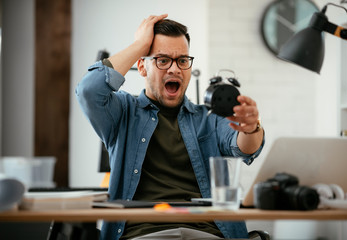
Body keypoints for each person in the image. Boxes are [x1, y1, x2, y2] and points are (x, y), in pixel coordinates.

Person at [76, 14, 265, 240]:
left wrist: (251, 128)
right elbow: (89, 91)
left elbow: (245, 148)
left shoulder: (209, 118)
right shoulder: (123, 113)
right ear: (142, 67)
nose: (175, 69)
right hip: (145, 235)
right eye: (163, 60)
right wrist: (140, 45)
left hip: (207, 235)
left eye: (182, 60)